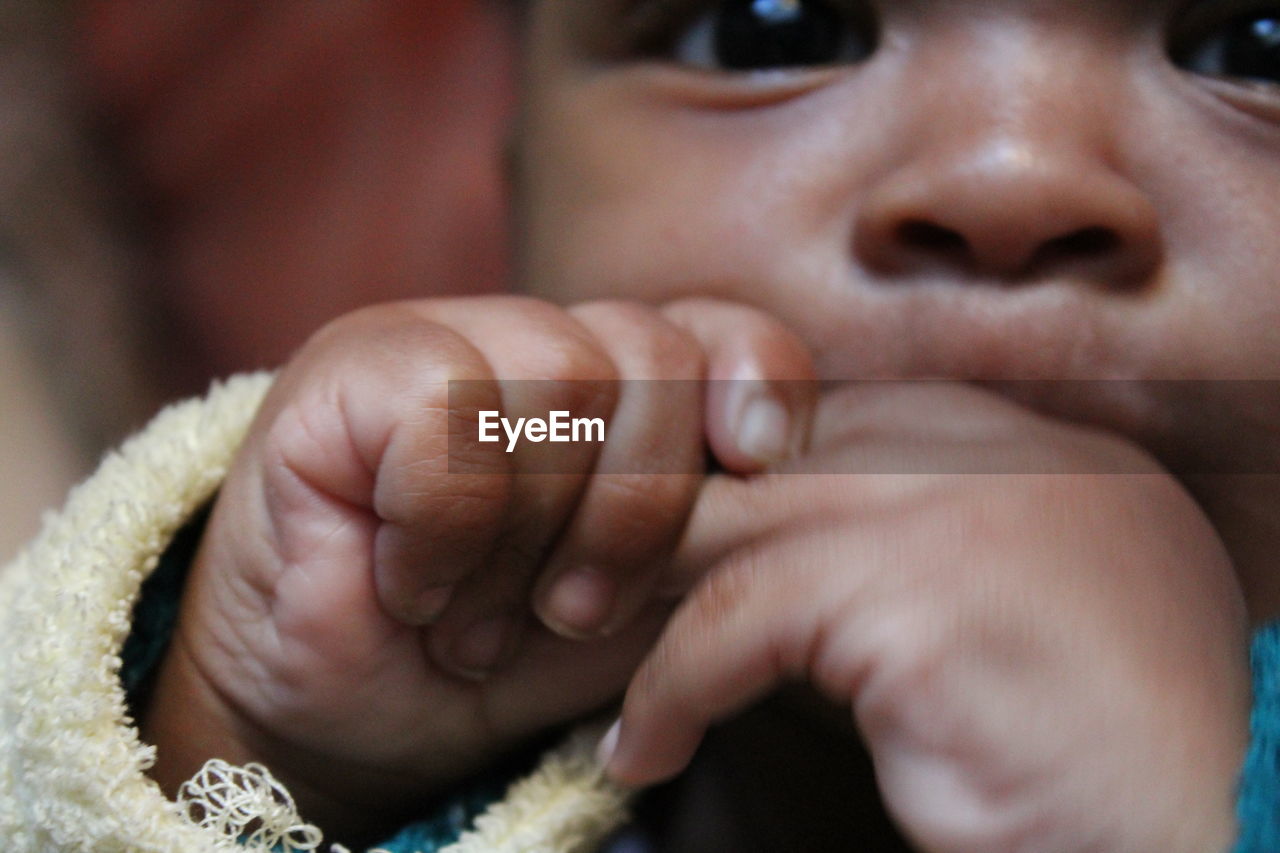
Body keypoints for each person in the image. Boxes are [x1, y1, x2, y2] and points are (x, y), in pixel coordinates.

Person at [3, 1, 1279, 851]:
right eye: (766, 26)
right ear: (515, 196)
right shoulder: (450, 714)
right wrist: (250, 754)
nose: (1006, 180)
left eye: (1252, 45)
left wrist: (1182, 807)